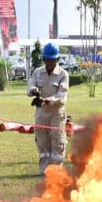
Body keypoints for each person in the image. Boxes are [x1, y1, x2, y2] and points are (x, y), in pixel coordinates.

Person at [28, 43, 69, 175]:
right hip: (41, 114)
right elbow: (30, 85)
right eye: (47, 59)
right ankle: (44, 171)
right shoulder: (37, 72)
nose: (50, 62)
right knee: (42, 143)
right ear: (44, 59)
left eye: (52, 59)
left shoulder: (63, 74)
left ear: (57, 59)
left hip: (56, 114)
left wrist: (47, 101)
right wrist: (33, 90)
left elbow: (61, 95)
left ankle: (56, 172)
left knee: (58, 142)